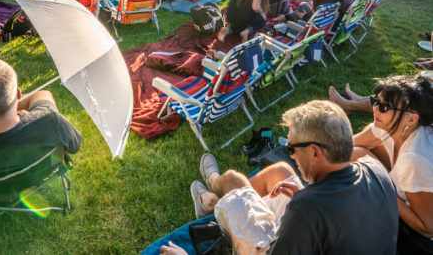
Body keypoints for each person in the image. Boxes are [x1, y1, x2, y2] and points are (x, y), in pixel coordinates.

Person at [166, 100, 398, 254]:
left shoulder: (307, 208)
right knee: (281, 172)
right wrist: (304, 197)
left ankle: (213, 198)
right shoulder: (375, 169)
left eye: (291, 148)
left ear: (315, 151)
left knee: (234, 180)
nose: (291, 154)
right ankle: (216, 199)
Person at [349, 75, 433, 254]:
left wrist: (384, 188)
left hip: (421, 237)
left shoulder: (415, 159)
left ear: (411, 119)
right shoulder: (393, 125)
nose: (375, 110)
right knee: (355, 154)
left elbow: (427, 227)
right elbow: (347, 145)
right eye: (375, 101)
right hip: (406, 191)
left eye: (384, 107)